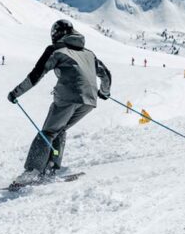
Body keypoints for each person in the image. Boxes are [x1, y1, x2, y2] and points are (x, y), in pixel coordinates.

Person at [7, 19, 111, 185]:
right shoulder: (89, 53)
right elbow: (105, 74)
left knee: (48, 132)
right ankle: (51, 168)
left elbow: (36, 74)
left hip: (68, 96)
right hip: (90, 101)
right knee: (59, 130)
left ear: (56, 35)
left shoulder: (56, 49)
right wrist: (104, 92)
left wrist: (16, 93)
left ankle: (32, 172)